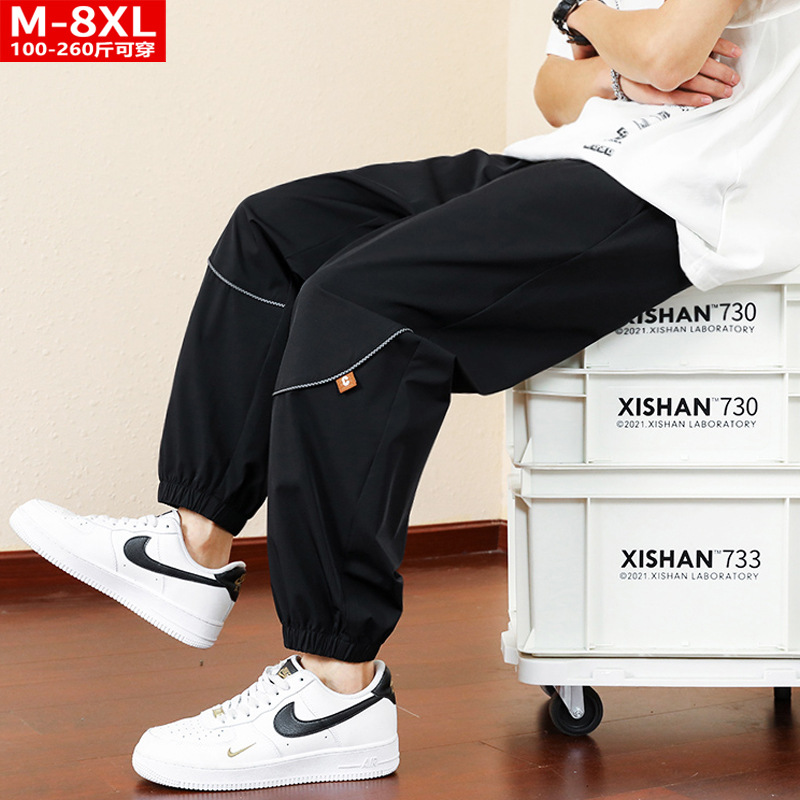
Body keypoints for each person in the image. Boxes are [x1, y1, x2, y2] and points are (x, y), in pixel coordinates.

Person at [9, 0, 800, 791]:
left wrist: (591, 21)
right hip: (574, 160)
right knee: (275, 230)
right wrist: (621, 73)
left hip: (685, 194)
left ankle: (335, 687)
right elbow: (558, 93)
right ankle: (193, 542)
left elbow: (662, 56)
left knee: (356, 302)